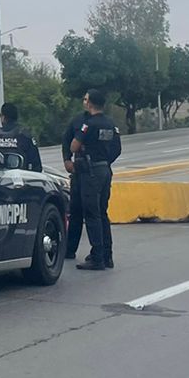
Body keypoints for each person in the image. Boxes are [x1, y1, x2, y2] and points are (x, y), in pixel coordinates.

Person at [71, 89, 120, 271]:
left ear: (90, 103)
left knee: (91, 214)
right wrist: (105, 160)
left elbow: (74, 146)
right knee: (102, 212)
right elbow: (117, 148)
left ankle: (97, 257)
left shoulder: (88, 124)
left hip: (90, 173)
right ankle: (108, 255)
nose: (84, 102)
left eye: (85, 99)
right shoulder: (110, 124)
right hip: (105, 170)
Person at [60, 104, 88, 260]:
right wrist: (66, 160)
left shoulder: (104, 122)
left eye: (86, 99)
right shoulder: (78, 120)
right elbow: (66, 140)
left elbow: (115, 148)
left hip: (95, 173)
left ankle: (101, 253)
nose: (84, 102)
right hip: (78, 171)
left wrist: (102, 162)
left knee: (95, 215)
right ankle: (69, 250)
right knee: (75, 211)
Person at [0, 102, 42, 171]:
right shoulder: (24, 134)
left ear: (3, 117)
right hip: (21, 177)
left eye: (0, 115)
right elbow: (36, 164)